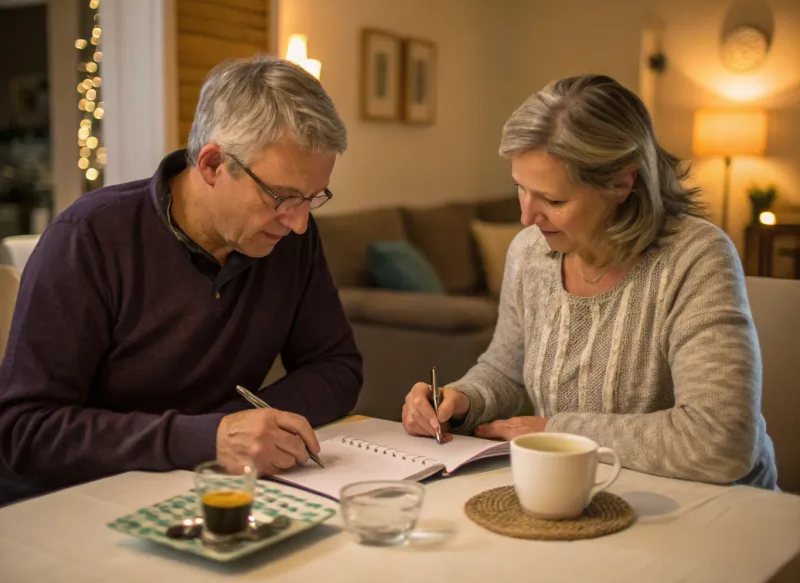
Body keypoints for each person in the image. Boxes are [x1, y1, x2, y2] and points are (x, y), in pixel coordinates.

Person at [0, 55, 363, 506]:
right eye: (283, 197)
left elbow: (337, 368)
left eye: (313, 198)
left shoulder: (288, 240)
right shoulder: (89, 239)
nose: (299, 224)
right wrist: (205, 438)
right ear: (211, 165)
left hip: (203, 489)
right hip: (71, 504)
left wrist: (231, 429)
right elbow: (25, 431)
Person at [402, 74, 778, 489]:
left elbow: (720, 440)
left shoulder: (696, 258)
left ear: (622, 182)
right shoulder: (529, 252)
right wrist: (461, 399)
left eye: (554, 200)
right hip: (583, 493)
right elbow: (504, 370)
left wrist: (558, 432)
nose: (527, 217)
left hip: (717, 511)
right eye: (520, 190)